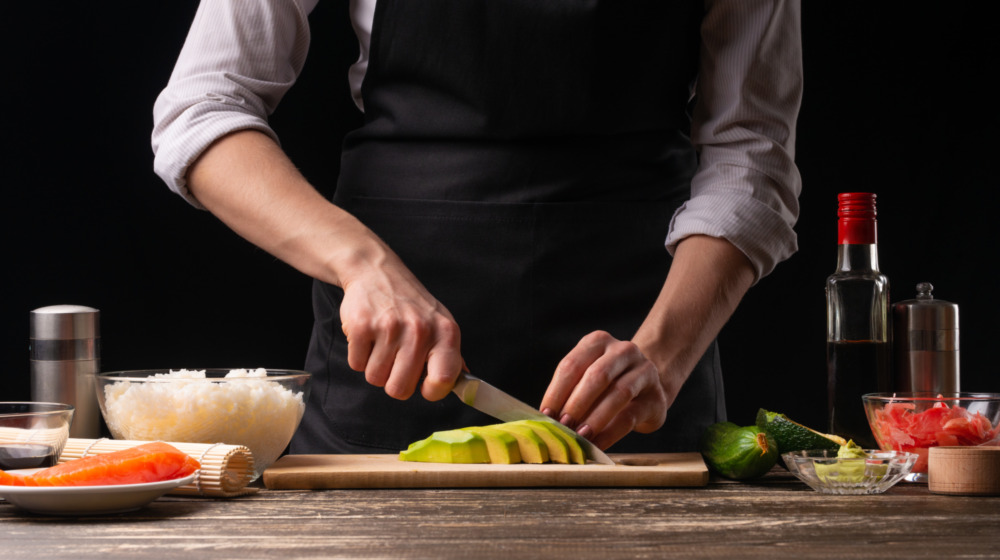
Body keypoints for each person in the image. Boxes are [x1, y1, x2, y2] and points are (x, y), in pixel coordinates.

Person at [152, 0, 802, 454]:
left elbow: (751, 153)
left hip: (638, 370)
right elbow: (202, 111)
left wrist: (663, 354)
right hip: (390, 374)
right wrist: (360, 264)